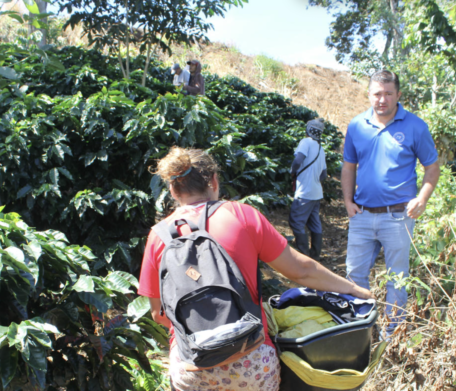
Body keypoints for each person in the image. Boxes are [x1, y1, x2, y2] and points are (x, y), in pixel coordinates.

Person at [138, 147, 374, 391]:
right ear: (214, 181)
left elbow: (159, 315)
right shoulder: (241, 215)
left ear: (173, 190)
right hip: (251, 362)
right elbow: (301, 270)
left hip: (192, 368)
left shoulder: (159, 236)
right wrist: (354, 289)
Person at [342, 70, 440, 339]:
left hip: (398, 217)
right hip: (361, 216)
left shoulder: (415, 126)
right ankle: (360, 331)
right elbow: (349, 166)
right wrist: (347, 201)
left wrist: (422, 198)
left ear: (398, 95)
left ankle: (392, 337)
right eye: (377, 93)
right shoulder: (356, 126)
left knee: (397, 278)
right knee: (354, 274)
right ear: (369, 94)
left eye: (387, 93)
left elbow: (432, 167)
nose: (382, 99)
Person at [289, 118, 327, 261]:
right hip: (316, 193)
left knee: (296, 222)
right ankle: (315, 255)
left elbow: (298, 160)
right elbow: (323, 174)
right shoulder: (320, 148)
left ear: (308, 130)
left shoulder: (305, 143)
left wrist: (293, 172)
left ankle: (304, 257)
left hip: (304, 192)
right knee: (314, 223)